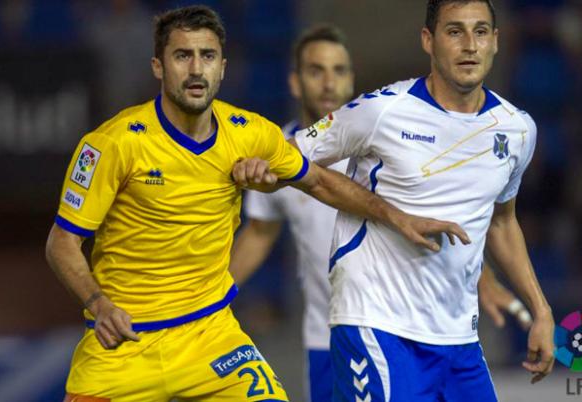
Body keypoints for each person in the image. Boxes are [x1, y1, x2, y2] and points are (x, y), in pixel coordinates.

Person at [44, 5, 469, 402]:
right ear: (158, 66)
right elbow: (62, 243)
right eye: (182, 56)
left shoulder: (250, 134)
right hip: (122, 345)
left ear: (223, 67)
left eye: (207, 56)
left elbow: (320, 182)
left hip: (210, 337)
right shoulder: (112, 144)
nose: (196, 69)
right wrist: (99, 305)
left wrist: (399, 217)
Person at [233, 1, 555, 401]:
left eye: (480, 31)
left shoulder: (517, 129)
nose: (469, 45)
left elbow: (503, 223)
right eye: (454, 32)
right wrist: (257, 171)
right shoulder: (381, 111)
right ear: (428, 40)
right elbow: (289, 161)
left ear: (496, 42)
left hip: (458, 338)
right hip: (376, 322)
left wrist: (541, 311)